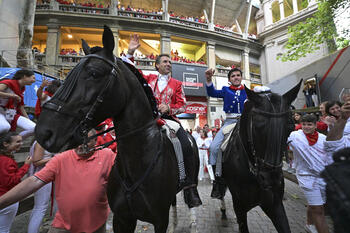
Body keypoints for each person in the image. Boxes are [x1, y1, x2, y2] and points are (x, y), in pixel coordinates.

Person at [124, 34, 202, 208]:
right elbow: (130, 71)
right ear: (157, 65)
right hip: (148, 119)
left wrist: (169, 108)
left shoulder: (177, 83)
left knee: (187, 144)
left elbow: (183, 105)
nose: (168, 64)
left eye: (170, 62)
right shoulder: (149, 79)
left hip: (169, 120)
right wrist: (130, 51)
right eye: (165, 62)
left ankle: (190, 186)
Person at [0, 129, 116, 233]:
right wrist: (2, 202)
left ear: (96, 140)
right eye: (77, 141)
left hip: (96, 225)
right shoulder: (61, 159)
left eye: (87, 141)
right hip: (63, 226)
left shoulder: (107, 155)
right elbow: (34, 181)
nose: (81, 145)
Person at [288, 114, 331, 233]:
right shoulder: (295, 136)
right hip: (305, 176)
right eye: (304, 124)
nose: (306, 127)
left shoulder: (323, 138)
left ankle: (309, 224)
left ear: (316, 125)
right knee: (319, 210)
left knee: (315, 203)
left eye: (309, 124)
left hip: (323, 176)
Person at [0, 132, 31, 233]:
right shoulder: (6, 161)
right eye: (18, 141)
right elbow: (10, 181)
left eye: (21, 141)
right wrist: (26, 166)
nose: (21, 144)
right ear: (6, 144)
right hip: (7, 198)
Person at [27, 141, 56, 233]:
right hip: (42, 175)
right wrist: (55, 158)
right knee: (40, 207)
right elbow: (36, 162)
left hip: (51, 175)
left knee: (41, 207)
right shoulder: (41, 143)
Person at [0, 69, 36, 139]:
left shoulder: (22, 88)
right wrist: (12, 96)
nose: (34, 80)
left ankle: (14, 140)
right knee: (5, 127)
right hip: (0, 110)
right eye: (33, 78)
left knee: (34, 128)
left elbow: (20, 106)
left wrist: (27, 119)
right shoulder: (8, 83)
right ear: (25, 76)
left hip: (11, 113)